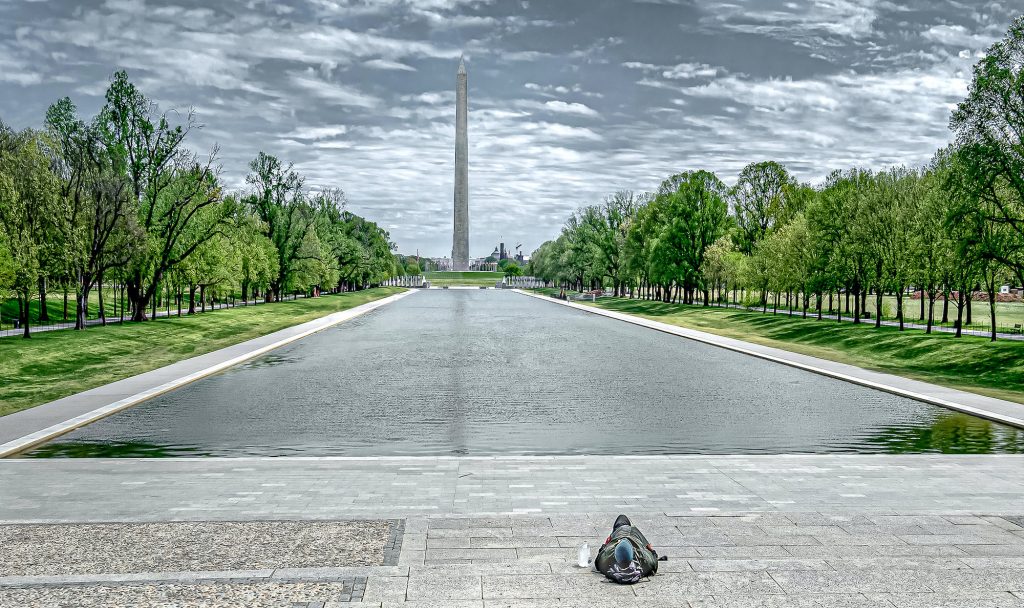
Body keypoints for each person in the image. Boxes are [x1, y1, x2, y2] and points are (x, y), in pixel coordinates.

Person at [594, 514, 662, 584]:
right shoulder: (634, 530)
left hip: (617, 536)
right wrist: (653, 551)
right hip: (633, 539)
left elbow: (599, 557)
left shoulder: (606, 556)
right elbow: (653, 557)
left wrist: (605, 545)